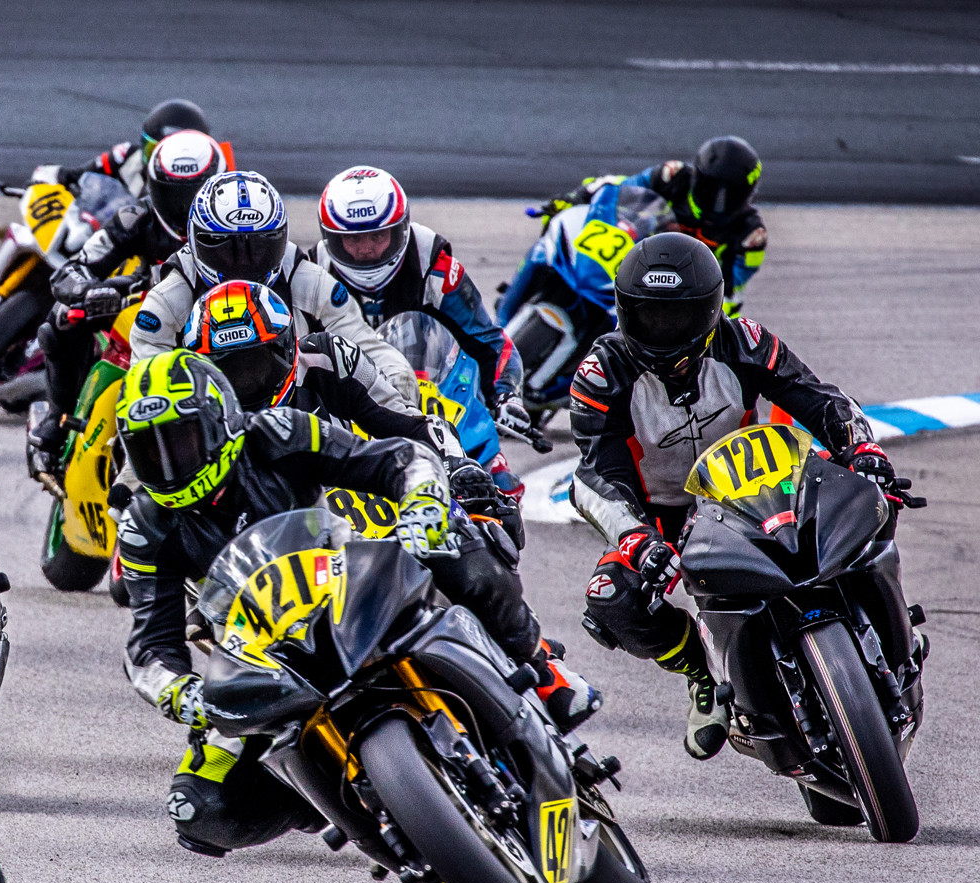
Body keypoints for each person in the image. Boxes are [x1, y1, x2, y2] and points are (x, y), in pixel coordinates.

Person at [179, 280, 599, 731]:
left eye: (255, 364)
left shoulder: (325, 358)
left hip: (371, 494)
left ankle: (542, 667)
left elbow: (408, 422)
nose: (246, 382)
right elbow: (163, 503)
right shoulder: (195, 420)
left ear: (285, 347)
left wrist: (457, 468)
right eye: (231, 372)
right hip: (282, 552)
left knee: (471, 534)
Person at [111, 349, 453, 856]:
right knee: (197, 806)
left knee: (462, 542)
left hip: (352, 587)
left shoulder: (279, 431)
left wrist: (421, 501)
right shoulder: (144, 526)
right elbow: (150, 645)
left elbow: (398, 460)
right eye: (149, 452)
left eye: (179, 442)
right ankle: (330, 797)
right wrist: (182, 693)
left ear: (218, 420)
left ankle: (538, 667)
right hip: (264, 656)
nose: (167, 465)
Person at [569, 233, 885, 760]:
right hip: (663, 515)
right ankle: (703, 672)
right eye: (651, 316)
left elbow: (818, 398)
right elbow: (598, 471)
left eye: (681, 316)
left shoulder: (748, 342)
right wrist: (634, 537)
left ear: (713, 308)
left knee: (870, 504)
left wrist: (862, 447)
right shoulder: (602, 374)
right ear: (625, 312)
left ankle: (877, 629)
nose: (666, 331)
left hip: (757, 485)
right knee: (610, 597)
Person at [317, 165, 533, 493]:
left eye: (377, 235)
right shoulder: (314, 272)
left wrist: (506, 396)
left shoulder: (433, 264)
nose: (366, 249)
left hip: (430, 401)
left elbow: (488, 340)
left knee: (500, 484)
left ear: (400, 230)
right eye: (354, 238)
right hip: (349, 407)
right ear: (332, 238)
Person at [128, 171, 419, 408]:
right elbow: (144, 388)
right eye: (227, 248)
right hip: (206, 429)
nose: (242, 263)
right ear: (196, 241)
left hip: (302, 422)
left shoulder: (306, 279)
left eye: (258, 247)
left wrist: (398, 381)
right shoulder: (169, 298)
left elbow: (362, 342)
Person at [28, 129, 227, 472]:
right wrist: (88, 292)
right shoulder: (137, 218)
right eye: (172, 195)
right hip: (149, 296)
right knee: (61, 321)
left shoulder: (238, 216)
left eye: (193, 195)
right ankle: (60, 418)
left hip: (224, 309)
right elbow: (73, 269)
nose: (183, 208)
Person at [532, 136, 767, 315]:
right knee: (556, 226)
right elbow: (618, 186)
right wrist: (576, 197)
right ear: (698, 177)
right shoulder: (672, 176)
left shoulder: (751, 235)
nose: (720, 202)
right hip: (630, 255)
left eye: (731, 194)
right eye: (713, 189)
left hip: (676, 290)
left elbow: (732, 288)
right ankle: (519, 289)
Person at [56, 98, 212, 198]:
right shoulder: (126, 157)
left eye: (164, 155)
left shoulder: (215, 180)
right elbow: (73, 175)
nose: (154, 162)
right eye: (152, 150)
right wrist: (50, 178)